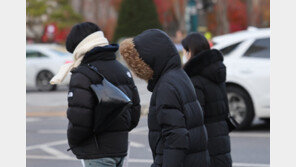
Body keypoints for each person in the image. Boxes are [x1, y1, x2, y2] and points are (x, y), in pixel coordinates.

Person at [50, 22, 141, 167]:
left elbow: (79, 119)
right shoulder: (122, 69)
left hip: (96, 151)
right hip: (121, 149)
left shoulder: (82, 74)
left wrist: (74, 142)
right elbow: (134, 114)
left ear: (79, 47)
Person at [119, 29, 210, 167]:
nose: (135, 71)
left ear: (150, 61)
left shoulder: (165, 87)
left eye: (137, 65)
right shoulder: (179, 76)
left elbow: (175, 138)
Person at [182, 32, 233, 167]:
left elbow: (197, 116)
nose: (184, 55)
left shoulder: (195, 79)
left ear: (191, 51)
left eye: (185, 51)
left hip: (206, 138)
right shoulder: (216, 72)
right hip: (221, 133)